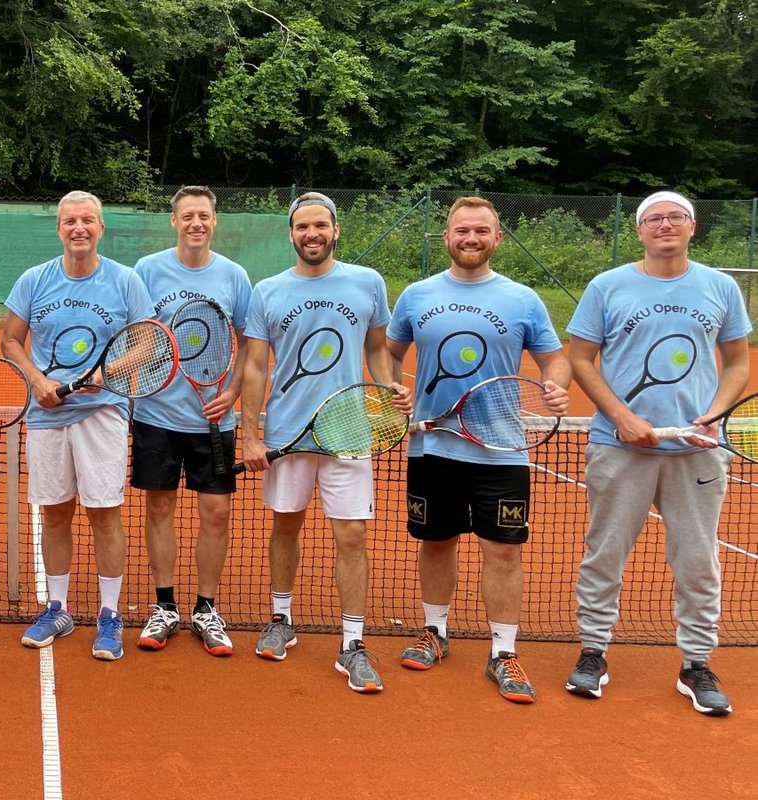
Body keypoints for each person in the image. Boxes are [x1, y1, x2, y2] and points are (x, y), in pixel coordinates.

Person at [565, 191, 749, 716]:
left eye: (675, 218)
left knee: (697, 561)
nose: (664, 225)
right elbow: (581, 358)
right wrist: (622, 417)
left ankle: (696, 664)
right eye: (654, 219)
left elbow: (736, 362)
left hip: (698, 450)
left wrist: (712, 414)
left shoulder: (720, 287)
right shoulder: (608, 285)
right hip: (618, 447)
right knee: (604, 554)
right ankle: (593, 653)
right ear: (640, 230)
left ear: (692, 227)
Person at [386, 196, 569, 704]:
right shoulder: (416, 296)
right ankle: (435, 632)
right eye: (462, 230)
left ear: (496, 239)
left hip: (501, 448)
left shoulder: (524, 299)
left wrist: (555, 386)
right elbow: (389, 351)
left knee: (503, 551)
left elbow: (555, 360)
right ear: (446, 238)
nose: (471, 238)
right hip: (432, 448)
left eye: (481, 231)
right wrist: (393, 388)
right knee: (437, 542)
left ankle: (503, 652)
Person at [238, 192, 409, 692]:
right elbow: (254, 366)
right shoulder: (267, 290)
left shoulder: (368, 282)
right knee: (285, 527)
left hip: (348, 432)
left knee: (352, 537)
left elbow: (378, 349)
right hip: (288, 434)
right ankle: (280, 618)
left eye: (320, 225)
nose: (311, 234)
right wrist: (251, 435)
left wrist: (387, 392)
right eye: (302, 227)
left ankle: (352, 643)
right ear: (290, 234)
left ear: (335, 229)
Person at [3, 190, 154, 662]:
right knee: (54, 512)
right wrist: (38, 380)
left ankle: (109, 615)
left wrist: (104, 376)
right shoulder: (34, 280)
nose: (79, 229)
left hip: (102, 414)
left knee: (104, 512)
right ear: (59, 228)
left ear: (101, 228)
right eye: (70, 221)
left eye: (88, 220)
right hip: (47, 415)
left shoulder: (126, 281)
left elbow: (147, 343)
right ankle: (58, 607)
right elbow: (10, 340)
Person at [131, 186, 253, 657]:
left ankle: (206, 608)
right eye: (188, 216)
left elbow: (250, 344)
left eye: (204, 215)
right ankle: (164, 605)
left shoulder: (235, 276)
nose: (196, 223)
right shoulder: (148, 270)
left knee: (216, 514)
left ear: (214, 221)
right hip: (158, 416)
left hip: (215, 421)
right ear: (174, 221)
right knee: (159, 509)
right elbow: (137, 337)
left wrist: (233, 392)